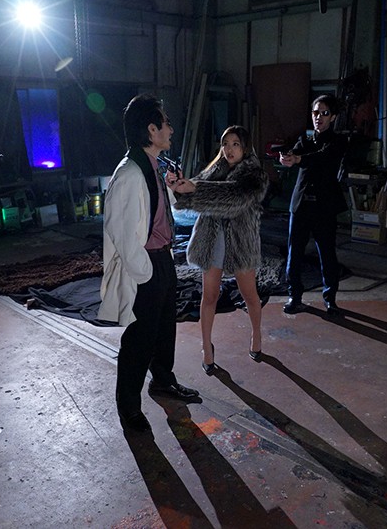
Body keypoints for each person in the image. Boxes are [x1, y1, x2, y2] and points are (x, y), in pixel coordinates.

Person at [97, 93, 199, 433]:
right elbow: (122, 231)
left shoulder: (152, 166)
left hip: (162, 258)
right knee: (140, 339)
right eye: (165, 123)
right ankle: (128, 407)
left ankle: (163, 380)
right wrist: (145, 273)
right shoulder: (129, 173)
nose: (171, 129)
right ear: (151, 130)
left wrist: (171, 188)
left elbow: (156, 212)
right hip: (147, 265)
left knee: (165, 328)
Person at [170, 125, 269, 375]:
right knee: (209, 296)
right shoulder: (215, 170)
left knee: (250, 295)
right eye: (225, 144)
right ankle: (206, 347)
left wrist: (195, 188)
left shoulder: (255, 175)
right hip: (213, 238)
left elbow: (234, 198)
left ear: (245, 147)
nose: (229, 149)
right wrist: (179, 187)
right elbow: (193, 194)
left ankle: (256, 335)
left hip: (241, 240)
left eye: (235, 144)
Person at [280, 94, 348, 316]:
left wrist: (299, 159)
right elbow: (296, 154)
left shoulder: (337, 141)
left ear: (333, 117)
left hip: (324, 207)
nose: (319, 117)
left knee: (327, 254)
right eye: (315, 112)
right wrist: (287, 158)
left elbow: (322, 157)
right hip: (301, 206)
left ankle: (330, 300)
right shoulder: (305, 139)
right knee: (294, 254)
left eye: (324, 113)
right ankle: (294, 296)